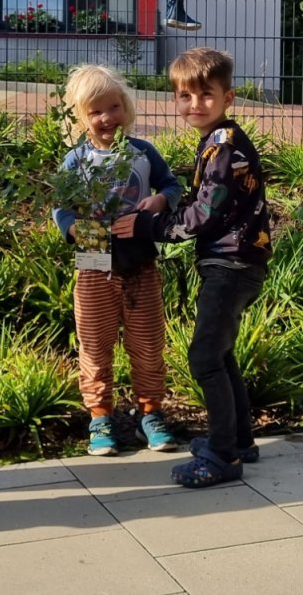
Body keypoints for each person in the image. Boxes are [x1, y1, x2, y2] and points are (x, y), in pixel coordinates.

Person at [113, 47, 272, 488]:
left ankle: (222, 456)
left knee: (204, 358)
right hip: (235, 259)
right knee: (220, 354)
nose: (195, 104)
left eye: (206, 94)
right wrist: (164, 202)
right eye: (185, 96)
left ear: (228, 98)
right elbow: (206, 205)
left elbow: (205, 214)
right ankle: (239, 441)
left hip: (231, 262)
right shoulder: (218, 142)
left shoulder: (223, 147)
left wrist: (147, 224)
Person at [52, 65, 184, 456]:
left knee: (147, 341)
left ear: (125, 108)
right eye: (95, 112)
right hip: (94, 263)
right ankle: (99, 415)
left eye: (113, 107)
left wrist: (160, 201)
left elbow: (172, 186)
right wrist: (78, 229)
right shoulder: (75, 161)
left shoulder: (143, 153)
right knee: (95, 343)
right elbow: (61, 208)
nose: (106, 118)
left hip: (140, 261)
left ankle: (150, 411)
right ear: (80, 116)